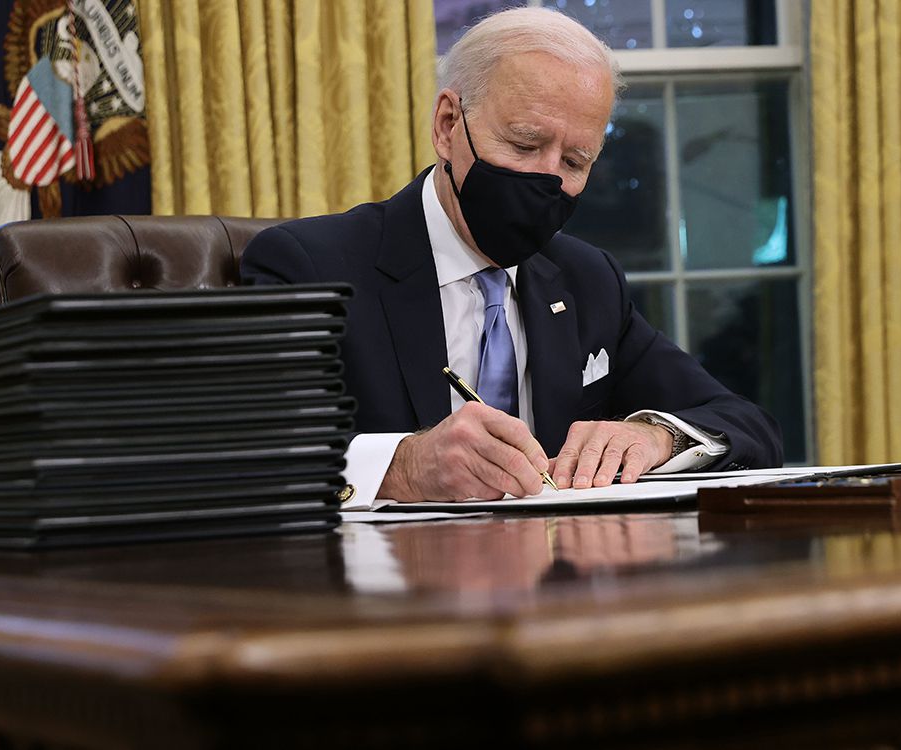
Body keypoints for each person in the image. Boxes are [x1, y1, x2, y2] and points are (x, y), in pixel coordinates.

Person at [241, 7, 783, 505]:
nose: (548, 177)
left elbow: (745, 424)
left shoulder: (587, 279)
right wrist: (400, 467)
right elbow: (243, 454)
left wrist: (652, 435)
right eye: (524, 145)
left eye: (574, 160)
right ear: (448, 125)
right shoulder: (311, 266)